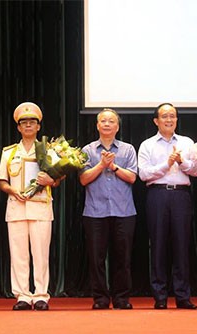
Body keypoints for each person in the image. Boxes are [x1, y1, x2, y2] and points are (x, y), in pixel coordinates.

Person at [137, 103, 197, 310]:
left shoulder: (187, 142)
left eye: (172, 116)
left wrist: (181, 161)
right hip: (157, 195)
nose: (169, 120)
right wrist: (167, 163)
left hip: (181, 196)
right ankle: (160, 297)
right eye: (164, 116)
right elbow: (144, 174)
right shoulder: (147, 145)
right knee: (158, 245)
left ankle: (183, 297)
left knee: (182, 246)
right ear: (156, 121)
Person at [0, 102, 60, 311]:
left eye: (32, 122)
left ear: (38, 126)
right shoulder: (9, 152)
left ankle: (41, 294)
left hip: (40, 207)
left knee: (41, 253)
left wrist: (49, 180)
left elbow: (57, 179)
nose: (28, 125)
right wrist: (11, 190)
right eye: (24, 122)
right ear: (18, 127)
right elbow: (1, 181)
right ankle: (22, 295)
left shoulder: (48, 150)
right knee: (19, 254)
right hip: (16, 207)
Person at [79, 108, 137, 310]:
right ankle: (101, 298)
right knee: (96, 258)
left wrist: (113, 167)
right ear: (97, 125)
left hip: (124, 211)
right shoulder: (87, 150)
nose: (106, 124)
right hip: (95, 211)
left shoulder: (128, 149)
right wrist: (101, 165)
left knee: (122, 257)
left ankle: (121, 298)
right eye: (102, 120)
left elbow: (132, 177)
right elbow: (84, 179)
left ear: (117, 126)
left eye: (111, 121)